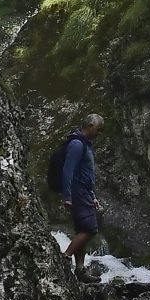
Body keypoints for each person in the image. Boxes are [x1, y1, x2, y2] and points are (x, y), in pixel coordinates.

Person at [59, 115, 105, 277]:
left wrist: (92, 195)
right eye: (98, 130)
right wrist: (67, 195)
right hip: (77, 192)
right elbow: (68, 170)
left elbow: (85, 173)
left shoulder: (84, 144)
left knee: (81, 229)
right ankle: (64, 258)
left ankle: (80, 270)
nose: (99, 134)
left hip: (84, 192)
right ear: (90, 125)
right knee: (90, 229)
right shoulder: (77, 144)